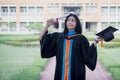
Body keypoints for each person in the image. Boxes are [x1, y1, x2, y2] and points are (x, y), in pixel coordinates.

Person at [39, 13, 100, 80]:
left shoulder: (81, 39)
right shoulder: (58, 37)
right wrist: (47, 24)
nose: (70, 22)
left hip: (76, 73)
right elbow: (41, 38)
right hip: (61, 72)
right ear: (65, 23)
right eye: (68, 20)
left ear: (76, 24)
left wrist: (95, 42)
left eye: (73, 20)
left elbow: (88, 53)